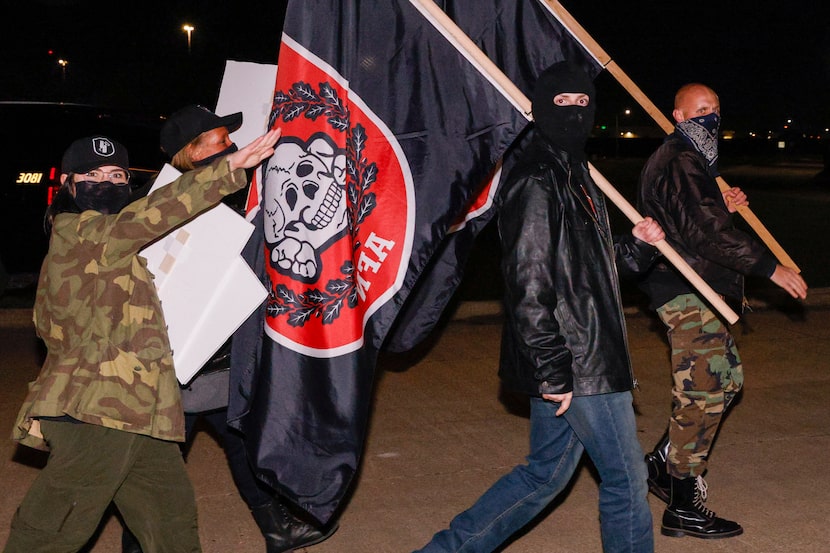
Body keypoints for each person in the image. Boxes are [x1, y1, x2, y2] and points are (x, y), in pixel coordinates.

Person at [415, 62, 663, 553]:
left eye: (581, 102)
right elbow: (528, 283)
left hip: (579, 354)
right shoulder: (537, 177)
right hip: (577, 360)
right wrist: (554, 370)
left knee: (543, 477)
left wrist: (635, 246)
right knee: (627, 479)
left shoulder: (574, 171)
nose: (572, 112)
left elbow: (590, 266)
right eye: (561, 102)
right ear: (538, 109)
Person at [3, 130, 280, 553]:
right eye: (92, 174)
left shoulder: (112, 249)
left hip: (140, 410)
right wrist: (226, 170)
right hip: (97, 413)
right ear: (68, 185)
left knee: (170, 524)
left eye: (117, 175)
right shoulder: (79, 234)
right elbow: (149, 215)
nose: (107, 183)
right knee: (52, 528)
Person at [121, 105, 336, 553]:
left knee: (241, 439)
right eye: (220, 140)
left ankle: (277, 529)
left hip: (220, 357)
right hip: (175, 365)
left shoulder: (233, 192)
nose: (232, 147)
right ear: (192, 152)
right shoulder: (159, 204)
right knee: (155, 472)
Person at [637, 82, 808, 539]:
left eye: (714, 108)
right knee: (705, 391)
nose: (710, 116)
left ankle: (662, 462)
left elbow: (696, 219)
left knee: (726, 382)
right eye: (699, 110)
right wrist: (769, 268)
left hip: (702, 287)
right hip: (687, 290)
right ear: (677, 116)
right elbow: (705, 233)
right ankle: (682, 503)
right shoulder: (680, 159)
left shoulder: (693, 161)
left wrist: (721, 205)